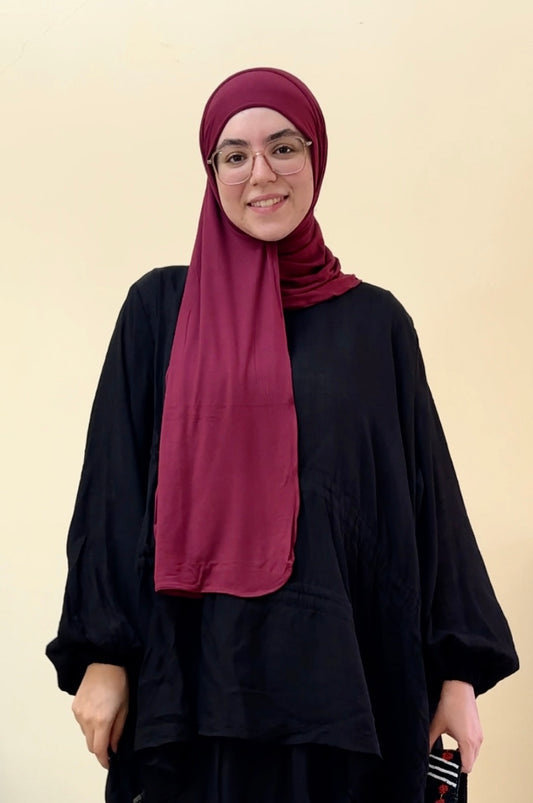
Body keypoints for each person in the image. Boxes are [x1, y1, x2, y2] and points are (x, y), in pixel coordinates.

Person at [46, 67, 519, 803]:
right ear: (212, 174)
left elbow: (429, 507)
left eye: (283, 148)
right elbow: (112, 489)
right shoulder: (159, 310)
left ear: (315, 157)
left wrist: (457, 676)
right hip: (197, 682)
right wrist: (104, 657)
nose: (260, 173)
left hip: (347, 683)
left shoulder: (376, 325)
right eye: (234, 155)